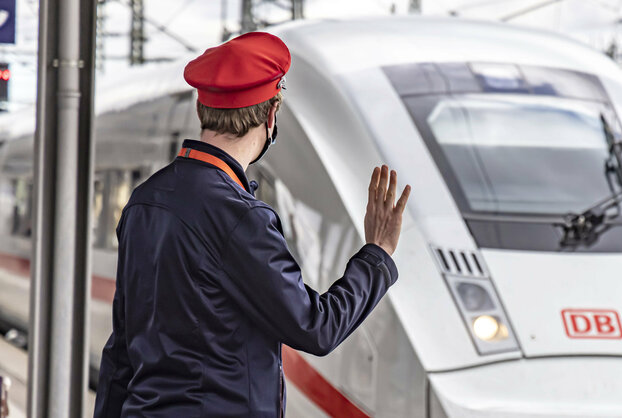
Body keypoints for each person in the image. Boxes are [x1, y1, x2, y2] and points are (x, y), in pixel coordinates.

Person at [93, 32, 410, 417]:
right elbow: (316, 327)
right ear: (271, 115)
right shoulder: (241, 218)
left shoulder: (143, 203)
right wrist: (376, 256)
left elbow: (122, 348)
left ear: (201, 110)